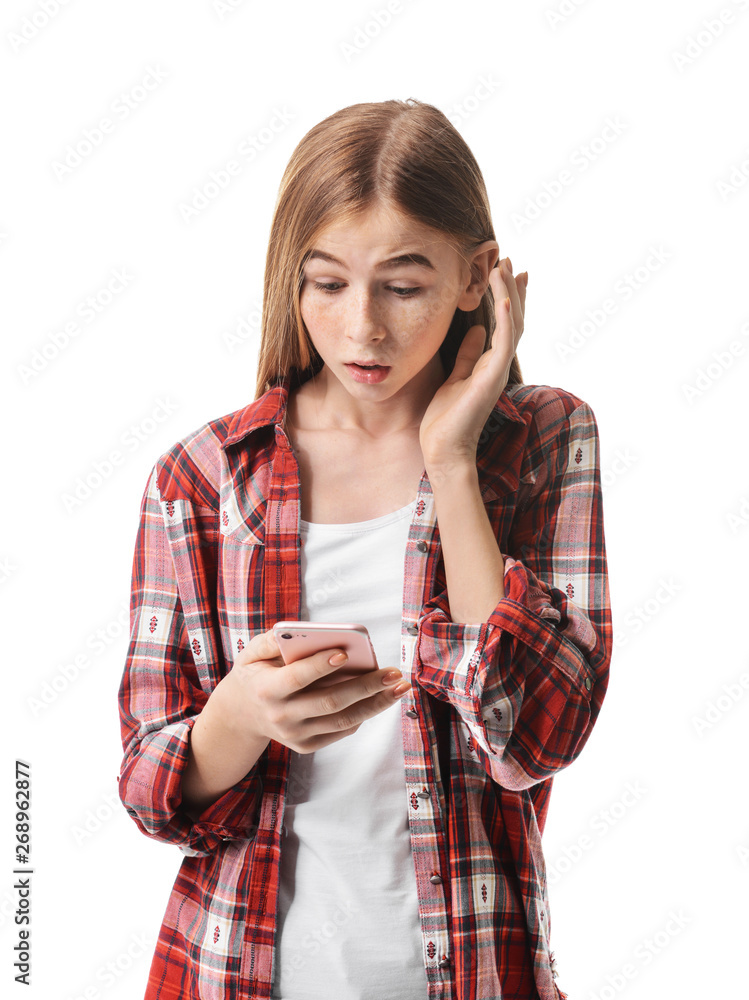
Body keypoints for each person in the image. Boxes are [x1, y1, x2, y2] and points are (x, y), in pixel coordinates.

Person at [117, 98, 612, 1000]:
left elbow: (533, 736)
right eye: (328, 283)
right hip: (231, 971)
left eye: (404, 283)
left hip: (473, 974)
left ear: (478, 279)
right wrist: (238, 717)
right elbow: (149, 786)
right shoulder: (199, 479)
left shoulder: (544, 440)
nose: (362, 329)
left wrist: (450, 461)